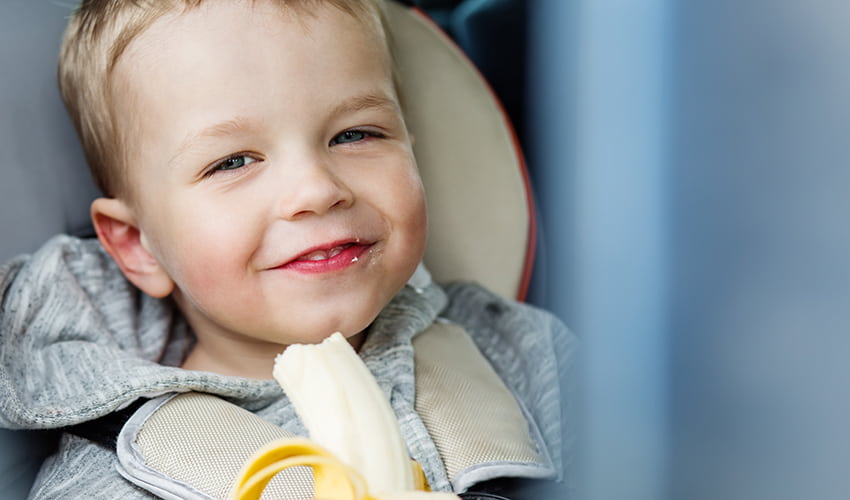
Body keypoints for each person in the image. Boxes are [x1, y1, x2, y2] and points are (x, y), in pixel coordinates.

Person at [0, 0, 574, 498]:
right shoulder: (112, 478)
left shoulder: (522, 353)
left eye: (355, 134)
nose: (318, 191)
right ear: (138, 247)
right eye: (233, 162)